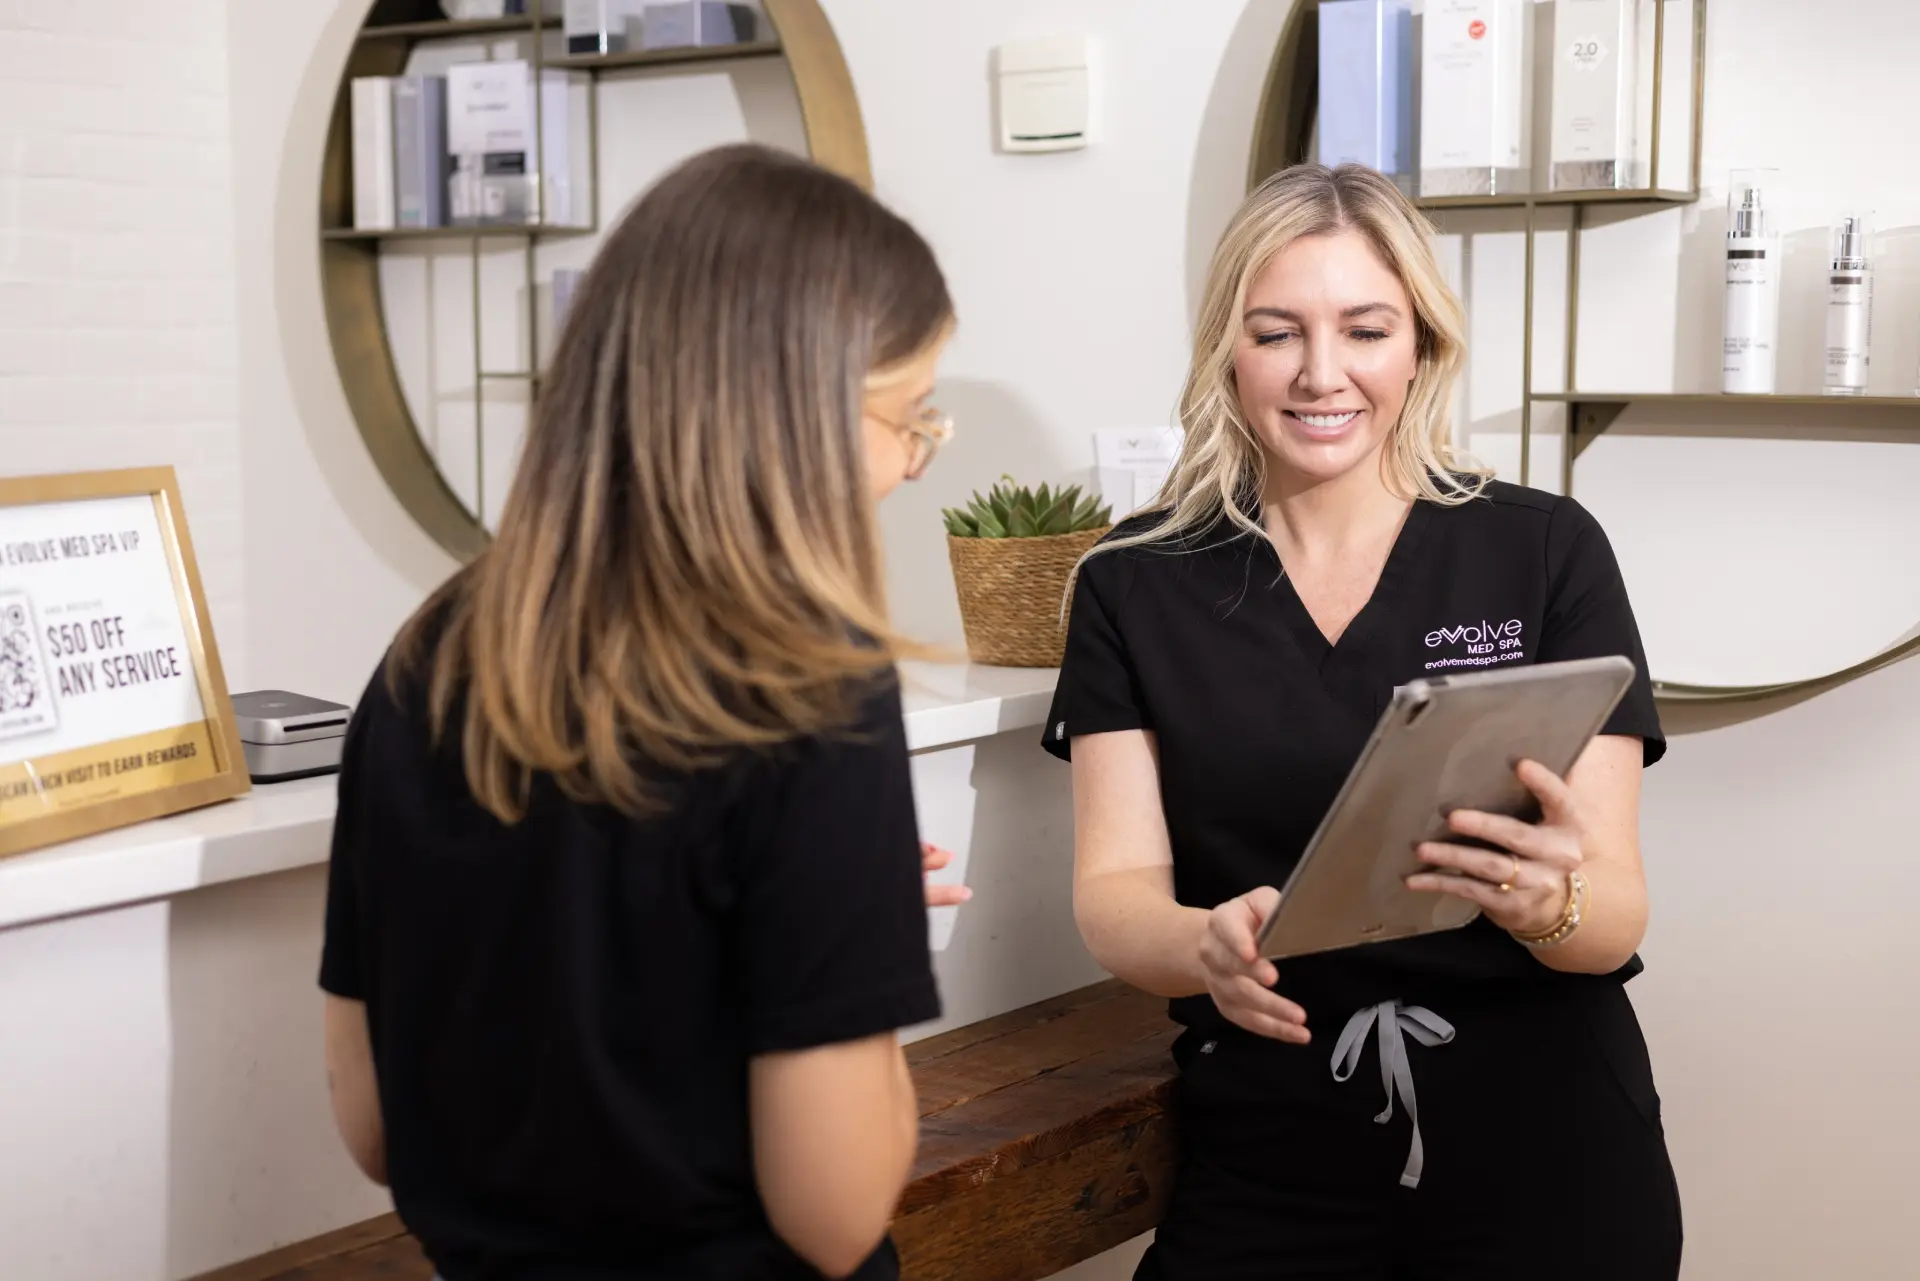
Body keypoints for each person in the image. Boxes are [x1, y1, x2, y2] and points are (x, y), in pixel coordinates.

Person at [318, 143, 968, 1281]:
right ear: (794, 414)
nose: (913, 464)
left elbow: (373, 1132)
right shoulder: (809, 686)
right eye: (910, 414)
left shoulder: (424, 662)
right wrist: (858, 939)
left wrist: (806, 913)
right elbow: (836, 1208)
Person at [1043, 163, 1683, 1280]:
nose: (1321, 374)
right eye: (1277, 332)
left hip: (1544, 1149)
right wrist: (1202, 944)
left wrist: (1547, 900)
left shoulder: (1543, 551)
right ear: (1226, 352)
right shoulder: (1133, 583)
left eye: (1367, 329)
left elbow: (1613, 916)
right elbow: (1114, 897)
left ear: (1422, 345)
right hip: (1274, 1147)